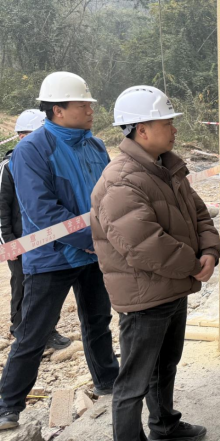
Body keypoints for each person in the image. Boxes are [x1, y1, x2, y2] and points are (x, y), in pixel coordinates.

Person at [91, 85, 220, 441]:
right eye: (167, 122)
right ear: (142, 130)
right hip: (144, 297)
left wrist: (210, 251)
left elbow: (200, 213)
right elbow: (143, 244)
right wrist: (193, 264)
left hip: (171, 286)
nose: (175, 129)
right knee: (134, 382)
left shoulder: (166, 168)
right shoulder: (120, 179)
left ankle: (164, 426)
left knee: (165, 365)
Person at [0, 72, 119, 431]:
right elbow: (42, 212)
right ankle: (7, 405)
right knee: (34, 333)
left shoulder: (95, 146)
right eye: (83, 104)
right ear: (58, 110)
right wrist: (92, 239)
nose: (91, 110)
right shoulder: (31, 150)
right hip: (52, 256)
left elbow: (110, 196)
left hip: (93, 252)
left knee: (98, 321)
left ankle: (107, 380)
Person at [0, 109, 71, 348]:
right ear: (22, 137)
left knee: (48, 285)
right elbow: (1, 207)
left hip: (47, 239)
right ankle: (21, 330)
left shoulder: (48, 163)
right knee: (22, 285)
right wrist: (7, 242)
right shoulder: (8, 167)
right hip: (20, 241)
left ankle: (48, 330)